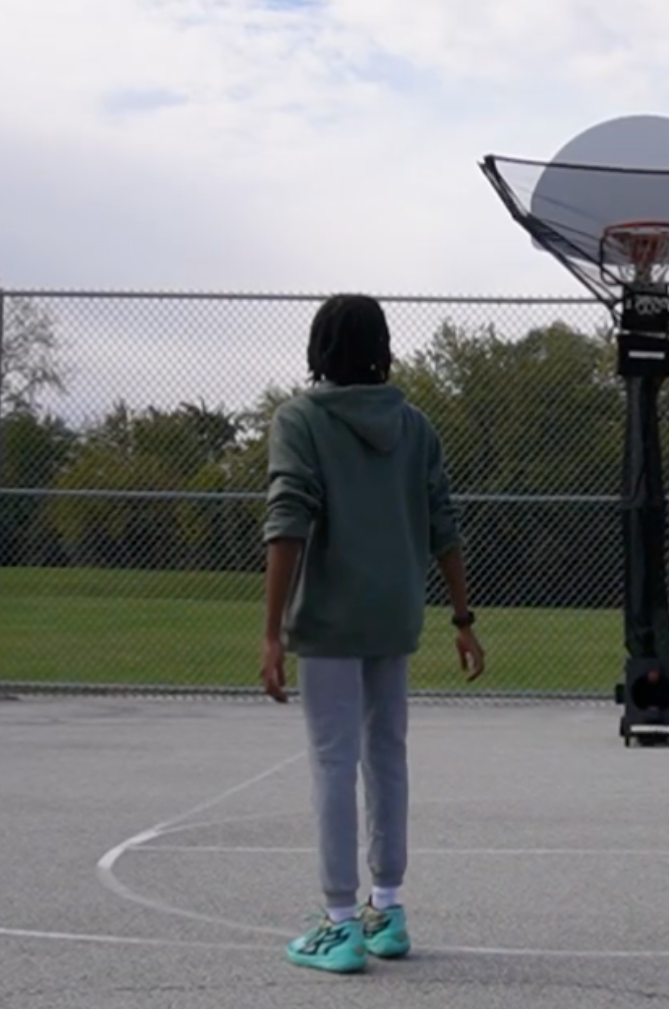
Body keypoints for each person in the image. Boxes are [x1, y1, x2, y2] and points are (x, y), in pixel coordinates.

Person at [260, 293, 487, 974]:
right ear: (381, 347)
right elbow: (443, 523)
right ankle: (387, 909)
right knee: (386, 756)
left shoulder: (300, 419)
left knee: (333, 760)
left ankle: (338, 923)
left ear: (319, 347)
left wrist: (270, 632)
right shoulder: (414, 426)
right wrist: (463, 619)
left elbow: (288, 520)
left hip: (330, 617)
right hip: (395, 613)